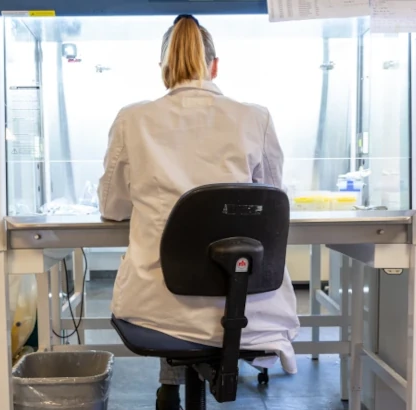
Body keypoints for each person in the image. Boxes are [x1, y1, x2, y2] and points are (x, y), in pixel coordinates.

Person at [98, 14, 301, 410]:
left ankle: (171, 380)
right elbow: (273, 199)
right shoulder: (254, 117)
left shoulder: (132, 119)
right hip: (247, 308)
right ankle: (175, 380)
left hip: (156, 309)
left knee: (173, 291)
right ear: (215, 65)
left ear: (164, 70)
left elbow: (113, 206)